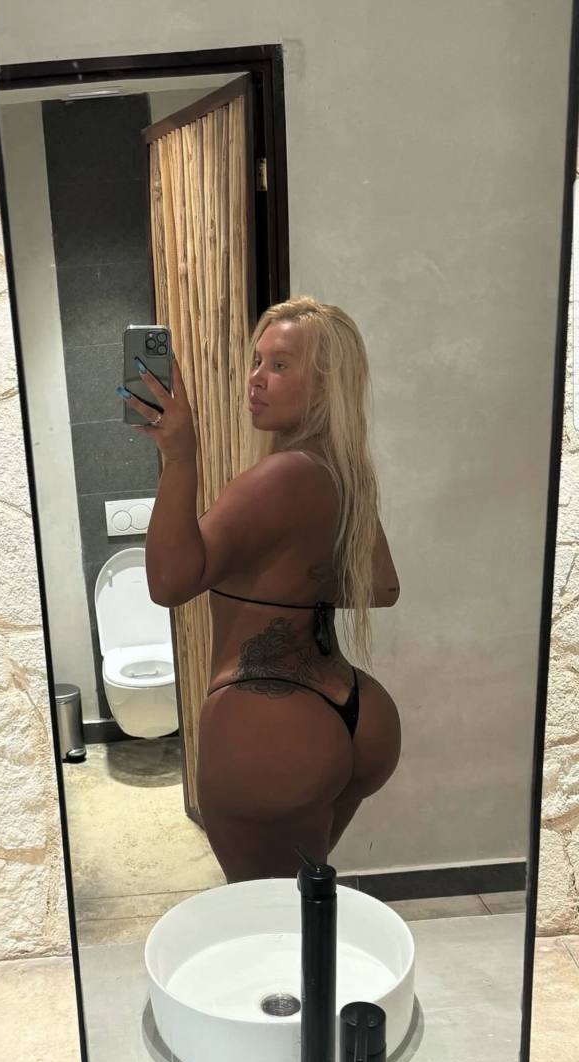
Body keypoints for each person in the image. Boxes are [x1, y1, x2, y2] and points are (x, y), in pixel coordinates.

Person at [119, 297, 401, 883]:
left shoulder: (277, 476)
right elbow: (382, 586)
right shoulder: (342, 471)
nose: (256, 378)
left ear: (325, 386)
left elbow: (169, 583)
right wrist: (293, 575)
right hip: (357, 712)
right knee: (303, 898)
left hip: (270, 723)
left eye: (279, 365)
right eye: (257, 360)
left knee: (267, 915)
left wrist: (179, 455)